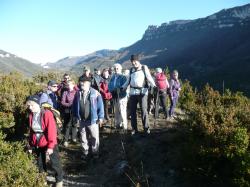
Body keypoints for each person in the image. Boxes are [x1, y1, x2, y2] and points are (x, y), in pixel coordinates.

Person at [26, 95, 63, 187]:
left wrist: (50, 146)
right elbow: (31, 131)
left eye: (32, 105)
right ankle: (43, 180)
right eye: (29, 106)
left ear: (38, 104)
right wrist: (30, 145)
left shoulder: (47, 114)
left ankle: (59, 181)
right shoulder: (31, 115)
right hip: (38, 142)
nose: (30, 108)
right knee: (40, 163)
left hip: (49, 141)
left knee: (55, 163)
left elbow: (51, 131)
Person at [122, 54, 156, 135]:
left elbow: (149, 77)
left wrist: (154, 86)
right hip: (133, 93)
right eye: (132, 61)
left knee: (144, 111)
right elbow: (128, 81)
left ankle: (146, 128)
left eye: (135, 61)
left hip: (143, 92)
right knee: (132, 111)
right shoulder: (131, 70)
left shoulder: (144, 67)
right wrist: (122, 87)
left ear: (138, 60)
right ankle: (134, 129)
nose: (134, 63)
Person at [72, 77, 104, 159]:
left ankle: (95, 153)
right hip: (82, 120)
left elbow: (100, 106)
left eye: (84, 82)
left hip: (93, 120)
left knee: (94, 137)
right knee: (83, 138)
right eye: (81, 82)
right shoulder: (77, 93)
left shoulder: (95, 93)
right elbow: (75, 106)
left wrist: (100, 117)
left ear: (89, 84)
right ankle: (85, 152)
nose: (82, 84)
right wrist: (75, 116)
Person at [108, 63, 128, 130]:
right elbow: (109, 85)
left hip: (121, 96)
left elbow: (124, 86)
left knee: (122, 111)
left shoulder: (123, 77)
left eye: (117, 68)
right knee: (116, 111)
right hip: (114, 96)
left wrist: (119, 89)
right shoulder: (112, 77)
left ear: (120, 69)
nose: (116, 70)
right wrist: (112, 91)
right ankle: (118, 124)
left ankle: (124, 125)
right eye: (115, 68)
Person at [61, 80, 78, 147]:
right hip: (67, 110)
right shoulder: (65, 92)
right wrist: (69, 104)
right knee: (68, 125)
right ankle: (66, 140)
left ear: (73, 85)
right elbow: (62, 102)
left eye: (70, 84)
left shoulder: (76, 92)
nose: (69, 86)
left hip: (75, 110)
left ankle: (74, 138)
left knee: (74, 124)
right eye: (68, 85)